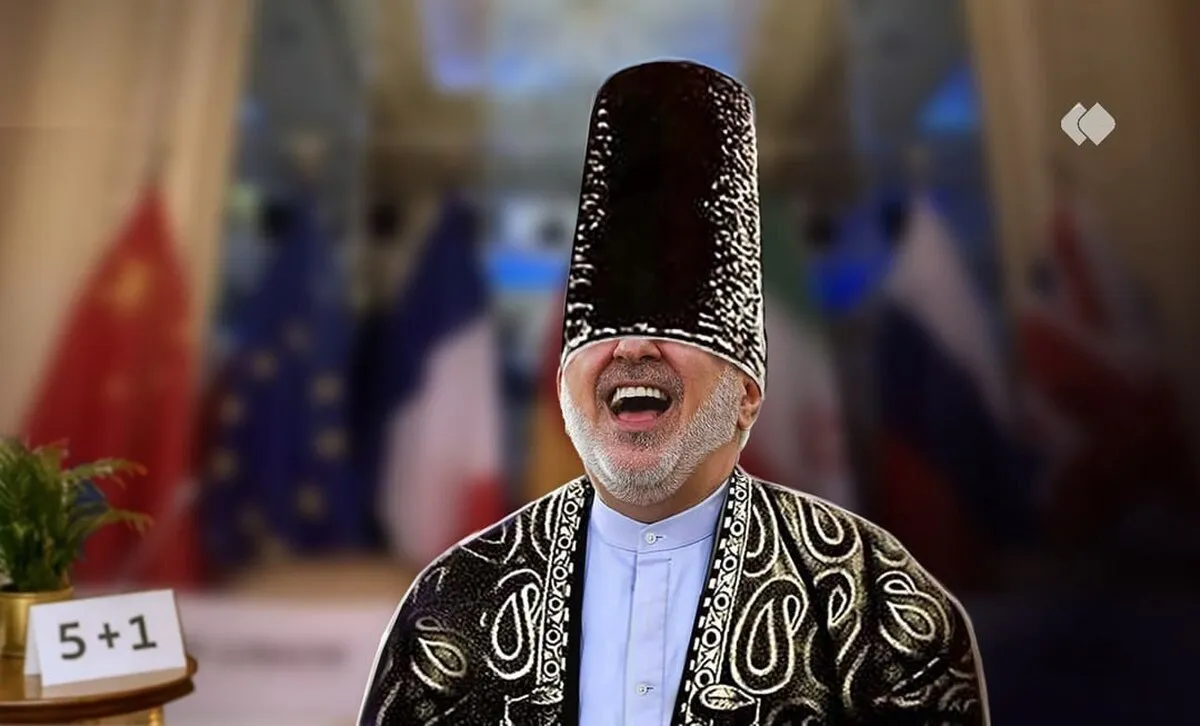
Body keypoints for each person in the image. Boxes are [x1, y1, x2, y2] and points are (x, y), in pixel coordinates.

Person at [358, 60, 988, 726]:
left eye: (674, 326)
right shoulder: (452, 609)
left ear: (748, 396)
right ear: (564, 391)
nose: (633, 348)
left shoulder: (880, 613)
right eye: (605, 329)